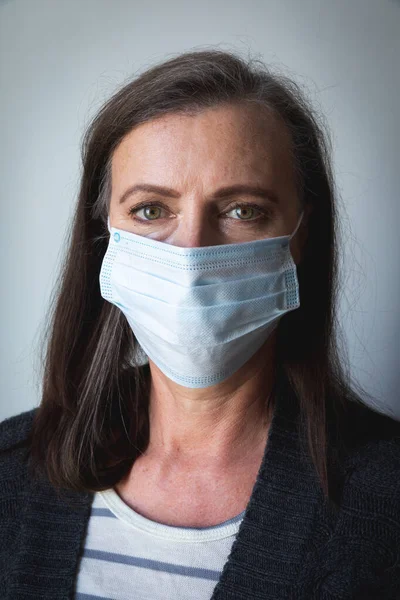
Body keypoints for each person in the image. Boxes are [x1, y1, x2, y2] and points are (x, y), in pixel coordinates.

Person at [1, 49, 400, 600]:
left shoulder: (385, 502)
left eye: (242, 210)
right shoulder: (10, 471)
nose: (191, 252)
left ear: (301, 236)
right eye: (150, 210)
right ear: (104, 239)